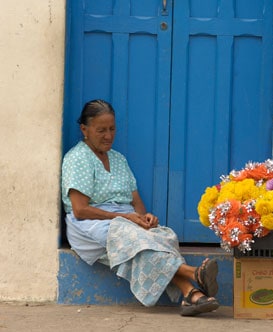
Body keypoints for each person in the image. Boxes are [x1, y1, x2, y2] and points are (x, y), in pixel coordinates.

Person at [61, 99, 219, 316]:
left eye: (112, 129)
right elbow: (80, 210)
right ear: (84, 129)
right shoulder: (77, 158)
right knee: (135, 240)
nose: (108, 136)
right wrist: (126, 218)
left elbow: (135, 200)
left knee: (157, 237)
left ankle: (192, 295)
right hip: (90, 225)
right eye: (101, 130)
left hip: (124, 220)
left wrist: (144, 218)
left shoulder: (118, 159)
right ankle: (193, 272)